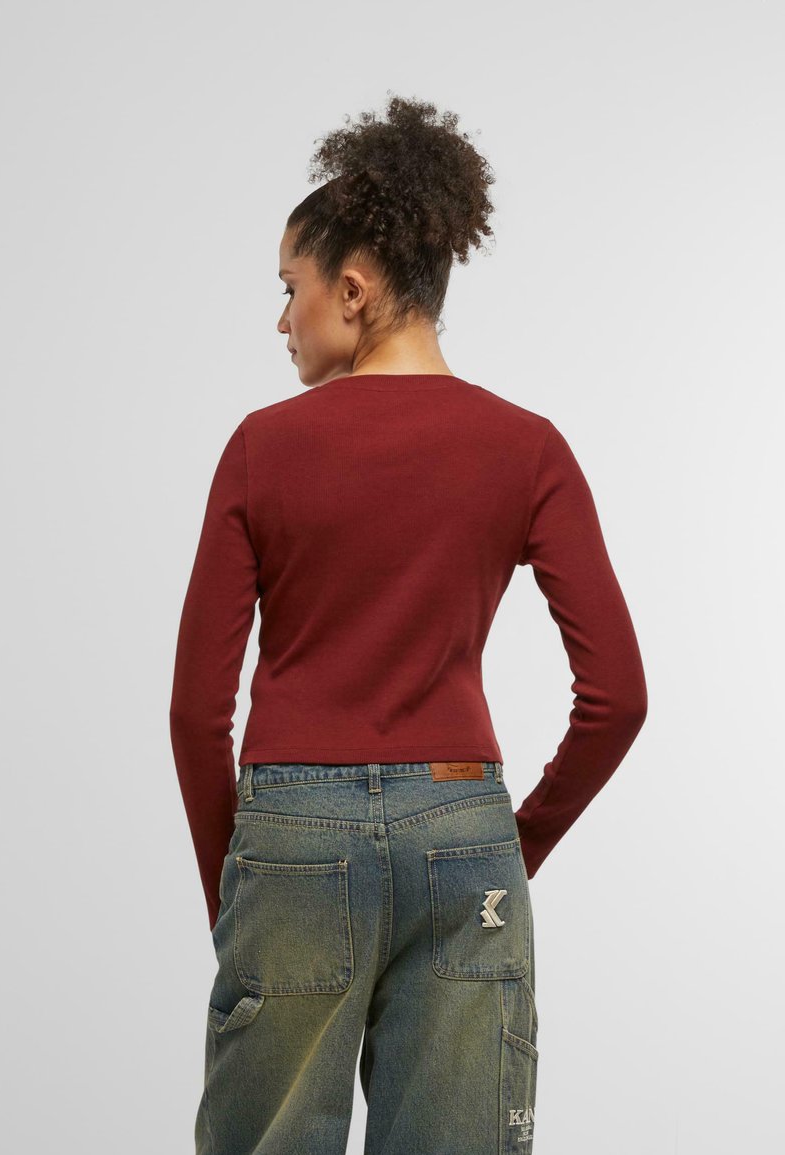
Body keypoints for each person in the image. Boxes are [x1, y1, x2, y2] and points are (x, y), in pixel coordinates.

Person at [169, 92, 648, 1155]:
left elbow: (196, 713)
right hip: (462, 832)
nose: (281, 319)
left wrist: (240, 889)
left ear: (351, 289)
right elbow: (617, 697)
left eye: (289, 288)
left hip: (292, 843)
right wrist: (509, 846)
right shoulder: (526, 447)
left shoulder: (260, 448)